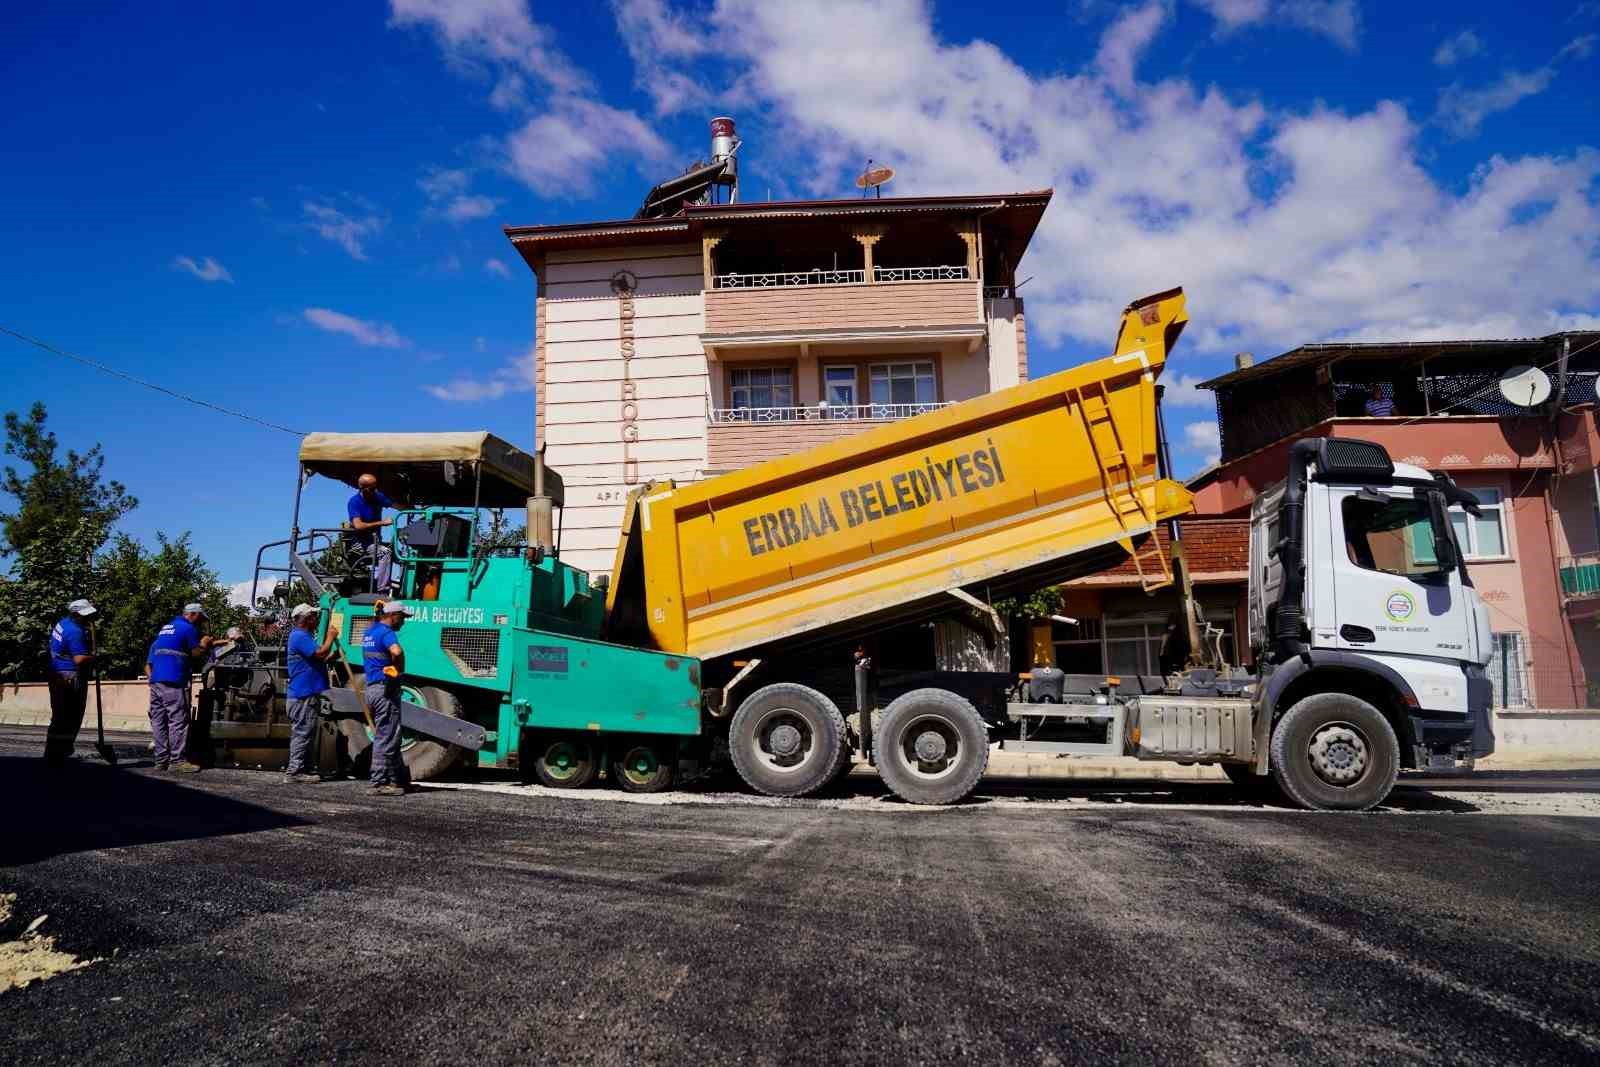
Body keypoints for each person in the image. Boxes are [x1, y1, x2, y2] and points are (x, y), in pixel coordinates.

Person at [146, 603, 216, 773]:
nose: (201, 622)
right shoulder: (188, 628)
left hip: (156, 680)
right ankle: (177, 761)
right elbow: (196, 653)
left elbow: (150, 660)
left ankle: (161, 760)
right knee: (178, 720)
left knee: (159, 721)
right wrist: (204, 644)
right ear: (193, 614)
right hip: (174, 679)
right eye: (201, 618)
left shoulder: (166, 629)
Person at [362, 602, 413, 796]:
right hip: (385, 689)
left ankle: (398, 780)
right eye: (403, 617)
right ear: (394, 615)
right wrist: (399, 671)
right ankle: (378, 782)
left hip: (372, 689)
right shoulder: (386, 632)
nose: (404, 622)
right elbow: (396, 652)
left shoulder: (370, 632)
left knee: (391, 736)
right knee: (386, 737)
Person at [284, 604, 335, 783]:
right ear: (307, 619)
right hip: (302, 693)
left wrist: (332, 656)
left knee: (306, 732)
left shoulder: (303, 636)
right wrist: (330, 637)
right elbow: (319, 653)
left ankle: (302, 769)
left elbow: (317, 658)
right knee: (302, 733)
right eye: (314, 616)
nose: (317, 619)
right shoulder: (299, 636)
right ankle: (294, 772)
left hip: (304, 693)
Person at [45, 598, 98, 767]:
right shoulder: (75, 631)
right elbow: (79, 659)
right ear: (76, 614)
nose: (88, 618)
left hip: (56, 673)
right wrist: (94, 658)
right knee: (72, 716)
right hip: (70, 676)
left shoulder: (62, 623)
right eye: (85, 615)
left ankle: (52, 752)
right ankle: (62, 751)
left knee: (59, 715)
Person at [347, 473, 396, 594]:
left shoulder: (376, 496)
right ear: (363, 488)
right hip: (360, 543)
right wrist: (382, 523)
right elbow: (358, 525)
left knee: (397, 552)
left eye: (376, 487)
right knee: (385, 553)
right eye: (372, 488)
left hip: (374, 541)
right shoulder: (354, 502)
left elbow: (395, 505)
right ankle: (382, 591)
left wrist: (417, 510)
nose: (375, 490)